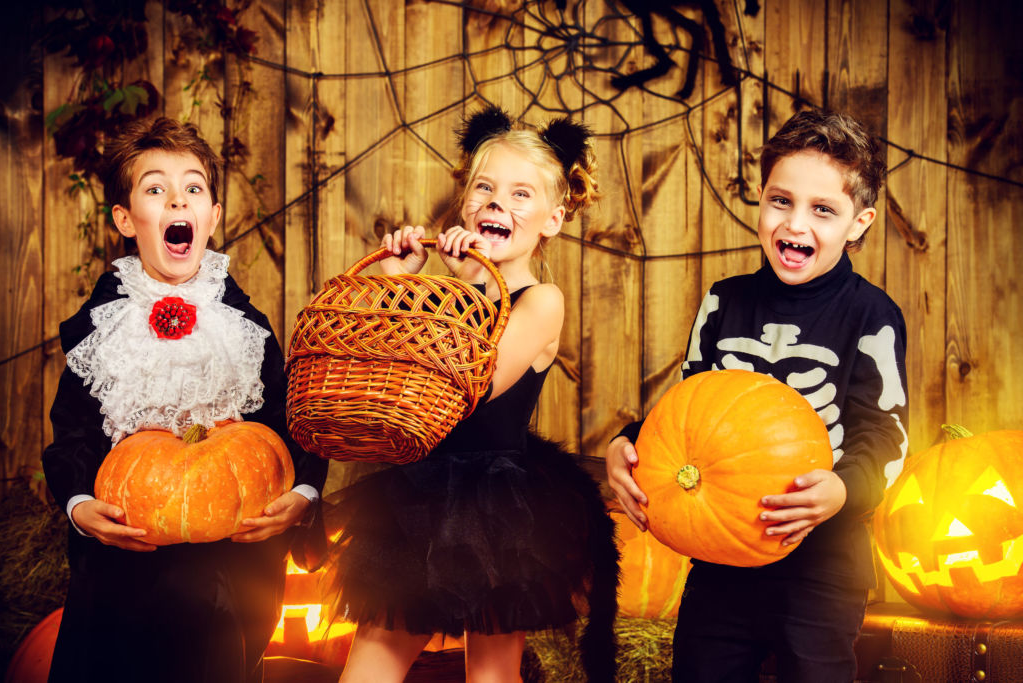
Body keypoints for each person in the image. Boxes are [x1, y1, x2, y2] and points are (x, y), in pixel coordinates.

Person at [606, 109, 909, 682]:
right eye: (780, 201)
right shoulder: (725, 302)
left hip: (823, 566)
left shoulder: (872, 316)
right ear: (762, 199)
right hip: (719, 561)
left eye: (823, 210)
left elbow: (886, 434)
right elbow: (688, 406)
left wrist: (843, 489)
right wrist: (629, 442)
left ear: (860, 222)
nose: (796, 224)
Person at [325, 106, 619, 683]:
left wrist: (468, 285)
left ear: (552, 220)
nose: (495, 203)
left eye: (519, 194)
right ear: (464, 203)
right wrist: (399, 281)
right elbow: (387, 374)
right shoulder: (449, 293)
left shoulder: (542, 301)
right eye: (484, 187)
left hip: (496, 507)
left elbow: (468, 383)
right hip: (416, 494)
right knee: (371, 663)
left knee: (491, 672)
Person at [41, 116, 329, 683]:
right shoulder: (102, 329)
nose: (178, 199)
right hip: (125, 557)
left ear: (213, 217)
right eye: (156, 189)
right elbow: (71, 432)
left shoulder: (244, 328)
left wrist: (303, 492)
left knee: (206, 637)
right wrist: (79, 505)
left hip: (230, 560)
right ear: (126, 219)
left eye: (193, 188)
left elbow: (290, 422)